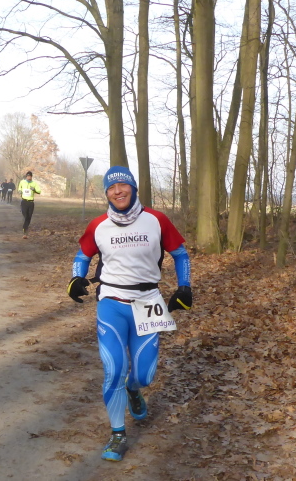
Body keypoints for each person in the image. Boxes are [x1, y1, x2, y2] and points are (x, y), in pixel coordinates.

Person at [66, 166, 193, 462]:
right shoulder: (98, 225)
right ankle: (118, 434)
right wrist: (76, 278)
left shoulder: (156, 220)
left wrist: (185, 287)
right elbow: (82, 255)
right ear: (106, 194)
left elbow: (180, 254)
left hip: (148, 302)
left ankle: (133, 389)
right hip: (111, 302)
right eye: (111, 188)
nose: (118, 191)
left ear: (134, 188)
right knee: (113, 369)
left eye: (123, 185)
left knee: (145, 375)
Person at [17, 171, 41, 238]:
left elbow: (39, 191)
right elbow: (19, 188)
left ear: (31, 177)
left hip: (31, 202)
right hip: (24, 201)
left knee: (29, 217)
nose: (29, 177)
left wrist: (34, 189)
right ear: (26, 176)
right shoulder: (22, 182)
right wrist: (20, 191)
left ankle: (25, 230)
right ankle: (25, 230)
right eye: (28, 176)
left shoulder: (34, 183)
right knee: (25, 216)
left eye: (30, 176)